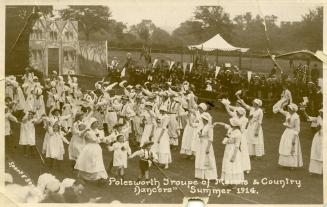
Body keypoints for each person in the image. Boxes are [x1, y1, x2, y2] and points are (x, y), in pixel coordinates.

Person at [74, 118, 108, 184]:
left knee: (98, 162)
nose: (97, 124)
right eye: (95, 123)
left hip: (97, 148)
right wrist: (86, 130)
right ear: (91, 124)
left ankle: (100, 177)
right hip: (89, 148)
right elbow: (82, 136)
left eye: (97, 123)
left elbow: (102, 139)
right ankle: (85, 176)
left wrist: (106, 140)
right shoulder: (88, 131)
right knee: (89, 163)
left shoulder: (99, 131)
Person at [218, 117, 244, 187]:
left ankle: (234, 183)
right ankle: (229, 182)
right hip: (228, 149)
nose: (230, 124)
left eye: (231, 123)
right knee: (227, 165)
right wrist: (217, 123)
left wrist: (234, 156)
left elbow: (237, 146)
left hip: (233, 150)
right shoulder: (231, 129)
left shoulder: (238, 133)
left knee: (233, 166)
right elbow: (225, 127)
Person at [278, 103, 303, 169]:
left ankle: (292, 164)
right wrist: (282, 103)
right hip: (286, 132)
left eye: (290, 108)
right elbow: (280, 110)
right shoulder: (288, 114)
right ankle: (284, 163)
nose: (288, 109)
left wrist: (294, 139)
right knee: (285, 146)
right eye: (288, 108)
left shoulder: (296, 117)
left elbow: (297, 129)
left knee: (291, 147)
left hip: (293, 133)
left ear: (293, 110)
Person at [194, 113, 217, 180]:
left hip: (206, 144)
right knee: (200, 158)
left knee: (207, 159)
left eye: (204, 119)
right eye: (202, 119)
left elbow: (210, 138)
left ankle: (210, 176)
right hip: (201, 144)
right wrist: (200, 135)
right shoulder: (204, 126)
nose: (203, 120)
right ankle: (200, 175)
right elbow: (202, 134)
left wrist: (207, 148)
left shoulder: (210, 127)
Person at [302, 108, 323, 175]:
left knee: (322, 152)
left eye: (322, 112)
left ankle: (322, 171)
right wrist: (304, 111)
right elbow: (309, 118)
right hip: (318, 137)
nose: (321, 113)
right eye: (320, 112)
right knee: (316, 152)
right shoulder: (318, 118)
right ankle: (314, 170)